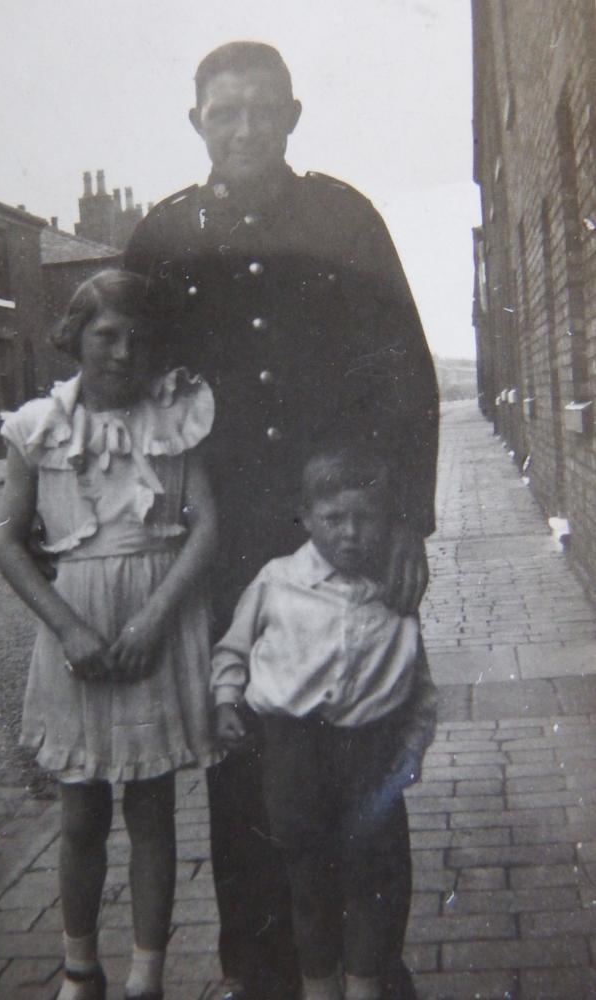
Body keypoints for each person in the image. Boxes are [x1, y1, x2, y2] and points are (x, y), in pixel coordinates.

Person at [125, 41, 439, 1000]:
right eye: (226, 112)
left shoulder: (344, 221)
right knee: (243, 769)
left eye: (263, 108)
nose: (246, 127)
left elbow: (408, 374)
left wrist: (409, 526)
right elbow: (121, 385)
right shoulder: (165, 239)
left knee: (369, 752)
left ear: (293, 116)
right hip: (223, 548)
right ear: (198, 125)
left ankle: (372, 967)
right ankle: (261, 976)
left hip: (342, 538)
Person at [0, 269, 219, 1000]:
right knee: (82, 807)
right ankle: (79, 968)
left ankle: (146, 976)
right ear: (75, 338)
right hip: (79, 628)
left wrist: (156, 619)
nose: (124, 351)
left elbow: (206, 528)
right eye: (106, 335)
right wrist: (68, 629)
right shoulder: (38, 428)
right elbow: (8, 545)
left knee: (152, 808)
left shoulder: (175, 417)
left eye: (138, 337)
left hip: (157, 613)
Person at [212, 440, 437, 1000]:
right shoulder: (277, 582)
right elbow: (232, 650)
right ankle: (319, 988)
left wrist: (412, 750)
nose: (350, 533)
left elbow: (419, 685)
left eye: (366, 518)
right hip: (295, 755)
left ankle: (365, 986)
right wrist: (224, 702)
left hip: (372, 755)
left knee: (374, 880)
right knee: (308, 881)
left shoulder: (392, 592)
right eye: (334, 518)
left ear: (386, 521)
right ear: (306, 518)